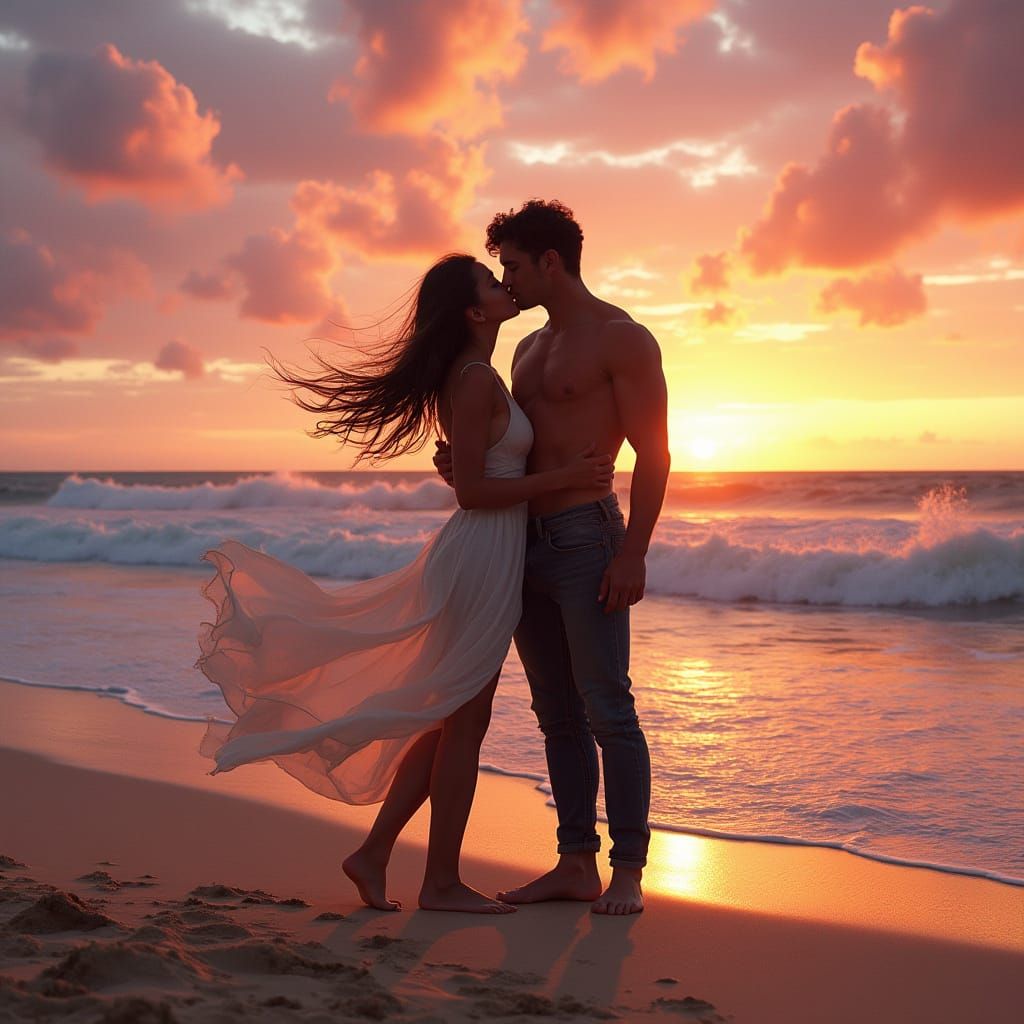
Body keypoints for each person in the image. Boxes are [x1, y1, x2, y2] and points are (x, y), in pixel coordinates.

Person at [196, 253, 613, 914]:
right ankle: (440, 882)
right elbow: (476, 493)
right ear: (475, 311)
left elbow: (474, 476)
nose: (504, 286)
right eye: (490, 281)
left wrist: (497, 472)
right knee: (463, 726)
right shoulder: (475, 378)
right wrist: (565, 479)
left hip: (488, 556)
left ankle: (375, 854)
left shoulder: (480, 376)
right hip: (480, 560)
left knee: (450, 724)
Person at [434, 201, 670, 915]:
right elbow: (518, 452)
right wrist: (463, 470)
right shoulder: (526, 350)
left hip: (586, 539)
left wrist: (633, 551)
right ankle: (574, 861)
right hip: (522, 546)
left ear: (550, 262)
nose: (506, 280)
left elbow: (654, 453)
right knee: (555, 715)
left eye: (510, 265)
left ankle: (627, 869)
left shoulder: (621, 339)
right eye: (498, 268)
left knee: (608, 709)